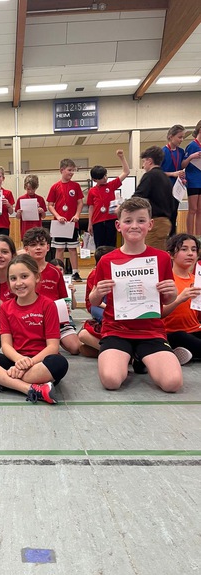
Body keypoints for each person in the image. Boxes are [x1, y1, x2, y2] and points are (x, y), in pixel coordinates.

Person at [89, 197, 182, 392]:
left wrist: (172, 293)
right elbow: (93, 301)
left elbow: (166, 299)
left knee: (172, 383)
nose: (134, 226)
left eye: (141, 221)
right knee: (111, 381)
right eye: (128, 221)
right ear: (118, 225)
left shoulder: (162, 258)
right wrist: (97, 293)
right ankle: (130, 357)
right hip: (116, 330)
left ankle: (139, 356)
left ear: (150, 224)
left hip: (151, 331)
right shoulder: (107, 260)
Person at [0, 255, 68, 404]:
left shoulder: (48, 305)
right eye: (13, 278)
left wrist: (28, 363)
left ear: (37, 277)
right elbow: (6, 345)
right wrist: (19, 361)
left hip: (40, 363)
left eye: (24, 276)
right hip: (14, 360)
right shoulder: (6, 308)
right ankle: (29, 388)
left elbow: (53, 346)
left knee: (59, 363)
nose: (19, 283)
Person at [23, 227, 80, 355]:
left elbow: (63, 299)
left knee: (75, 347)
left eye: (41, 244)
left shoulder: (55, 272)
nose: (38, 248)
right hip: (31, 320)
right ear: (26, 249)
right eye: (33, 245)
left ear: (48, 247)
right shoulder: (22, 272)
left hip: (56, 319)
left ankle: (52, 338)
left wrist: (65, 308)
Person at [162, 234, 201, 364]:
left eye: (193, 250)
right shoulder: (165, 280)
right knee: (180, 336)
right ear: (171, 255)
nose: (190, 253)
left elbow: (198, 315)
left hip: (195, 329)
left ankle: (184, 353)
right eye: (184, 249)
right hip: (171, 333)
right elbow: (158, 313)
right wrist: (180, 298)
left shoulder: (197, 280)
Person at [47, 158, 84, 282]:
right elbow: (50, 205)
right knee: (59, 249)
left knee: (73, 249)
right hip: (59, 223)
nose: (72, 173)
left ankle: (75, 272)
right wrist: (58, 216)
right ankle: (59, 272)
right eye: (69, 170)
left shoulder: (76, 186)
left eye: (73, 170)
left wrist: (77, 215)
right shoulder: (55, 187)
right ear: (61, 170)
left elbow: (80, 202)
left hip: (72, 223)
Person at [134, 146, 178, 249]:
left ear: (149, 161)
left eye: (144, 161)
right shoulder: (166, 178)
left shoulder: (150, 176)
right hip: (166, 223)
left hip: (156, 223)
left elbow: (138, 197)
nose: (143, 165)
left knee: (151, 255)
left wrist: (123, 208)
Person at [87, 149, 130, 248]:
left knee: (111, 246)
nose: (105, 178)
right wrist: (90, 223)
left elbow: (126, 172)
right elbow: (91, 207)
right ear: (95, 180)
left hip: (111, 220)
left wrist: (122, 157)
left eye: (105, 175)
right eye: (102, 177)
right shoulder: (92, 191)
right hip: (97, 221)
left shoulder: (111, 185)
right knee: (99, 247)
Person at [77, 245, 115, 358]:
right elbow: (94, 300)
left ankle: (99, 350)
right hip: (98, 305)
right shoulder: (95, 274)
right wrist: (110, 308)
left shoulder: (114, 272)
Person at [181, 120, 201, 236]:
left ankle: (198, 236)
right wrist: (191, 157)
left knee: (200, 210)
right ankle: (190, 235)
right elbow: (182, 165)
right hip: (193, 181)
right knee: (193, 209)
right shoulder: (192, 145)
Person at [15, 174, 47, 240]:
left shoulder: (40, 199)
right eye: (28, 189)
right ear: (25, 187)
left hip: (37, 229)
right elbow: (18, 217)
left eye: (33, 189)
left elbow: (43, 216)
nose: (30, 191)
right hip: (25, 229)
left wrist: (42, 211)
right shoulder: (21, 199)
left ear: (36, 187)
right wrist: (18, 213)